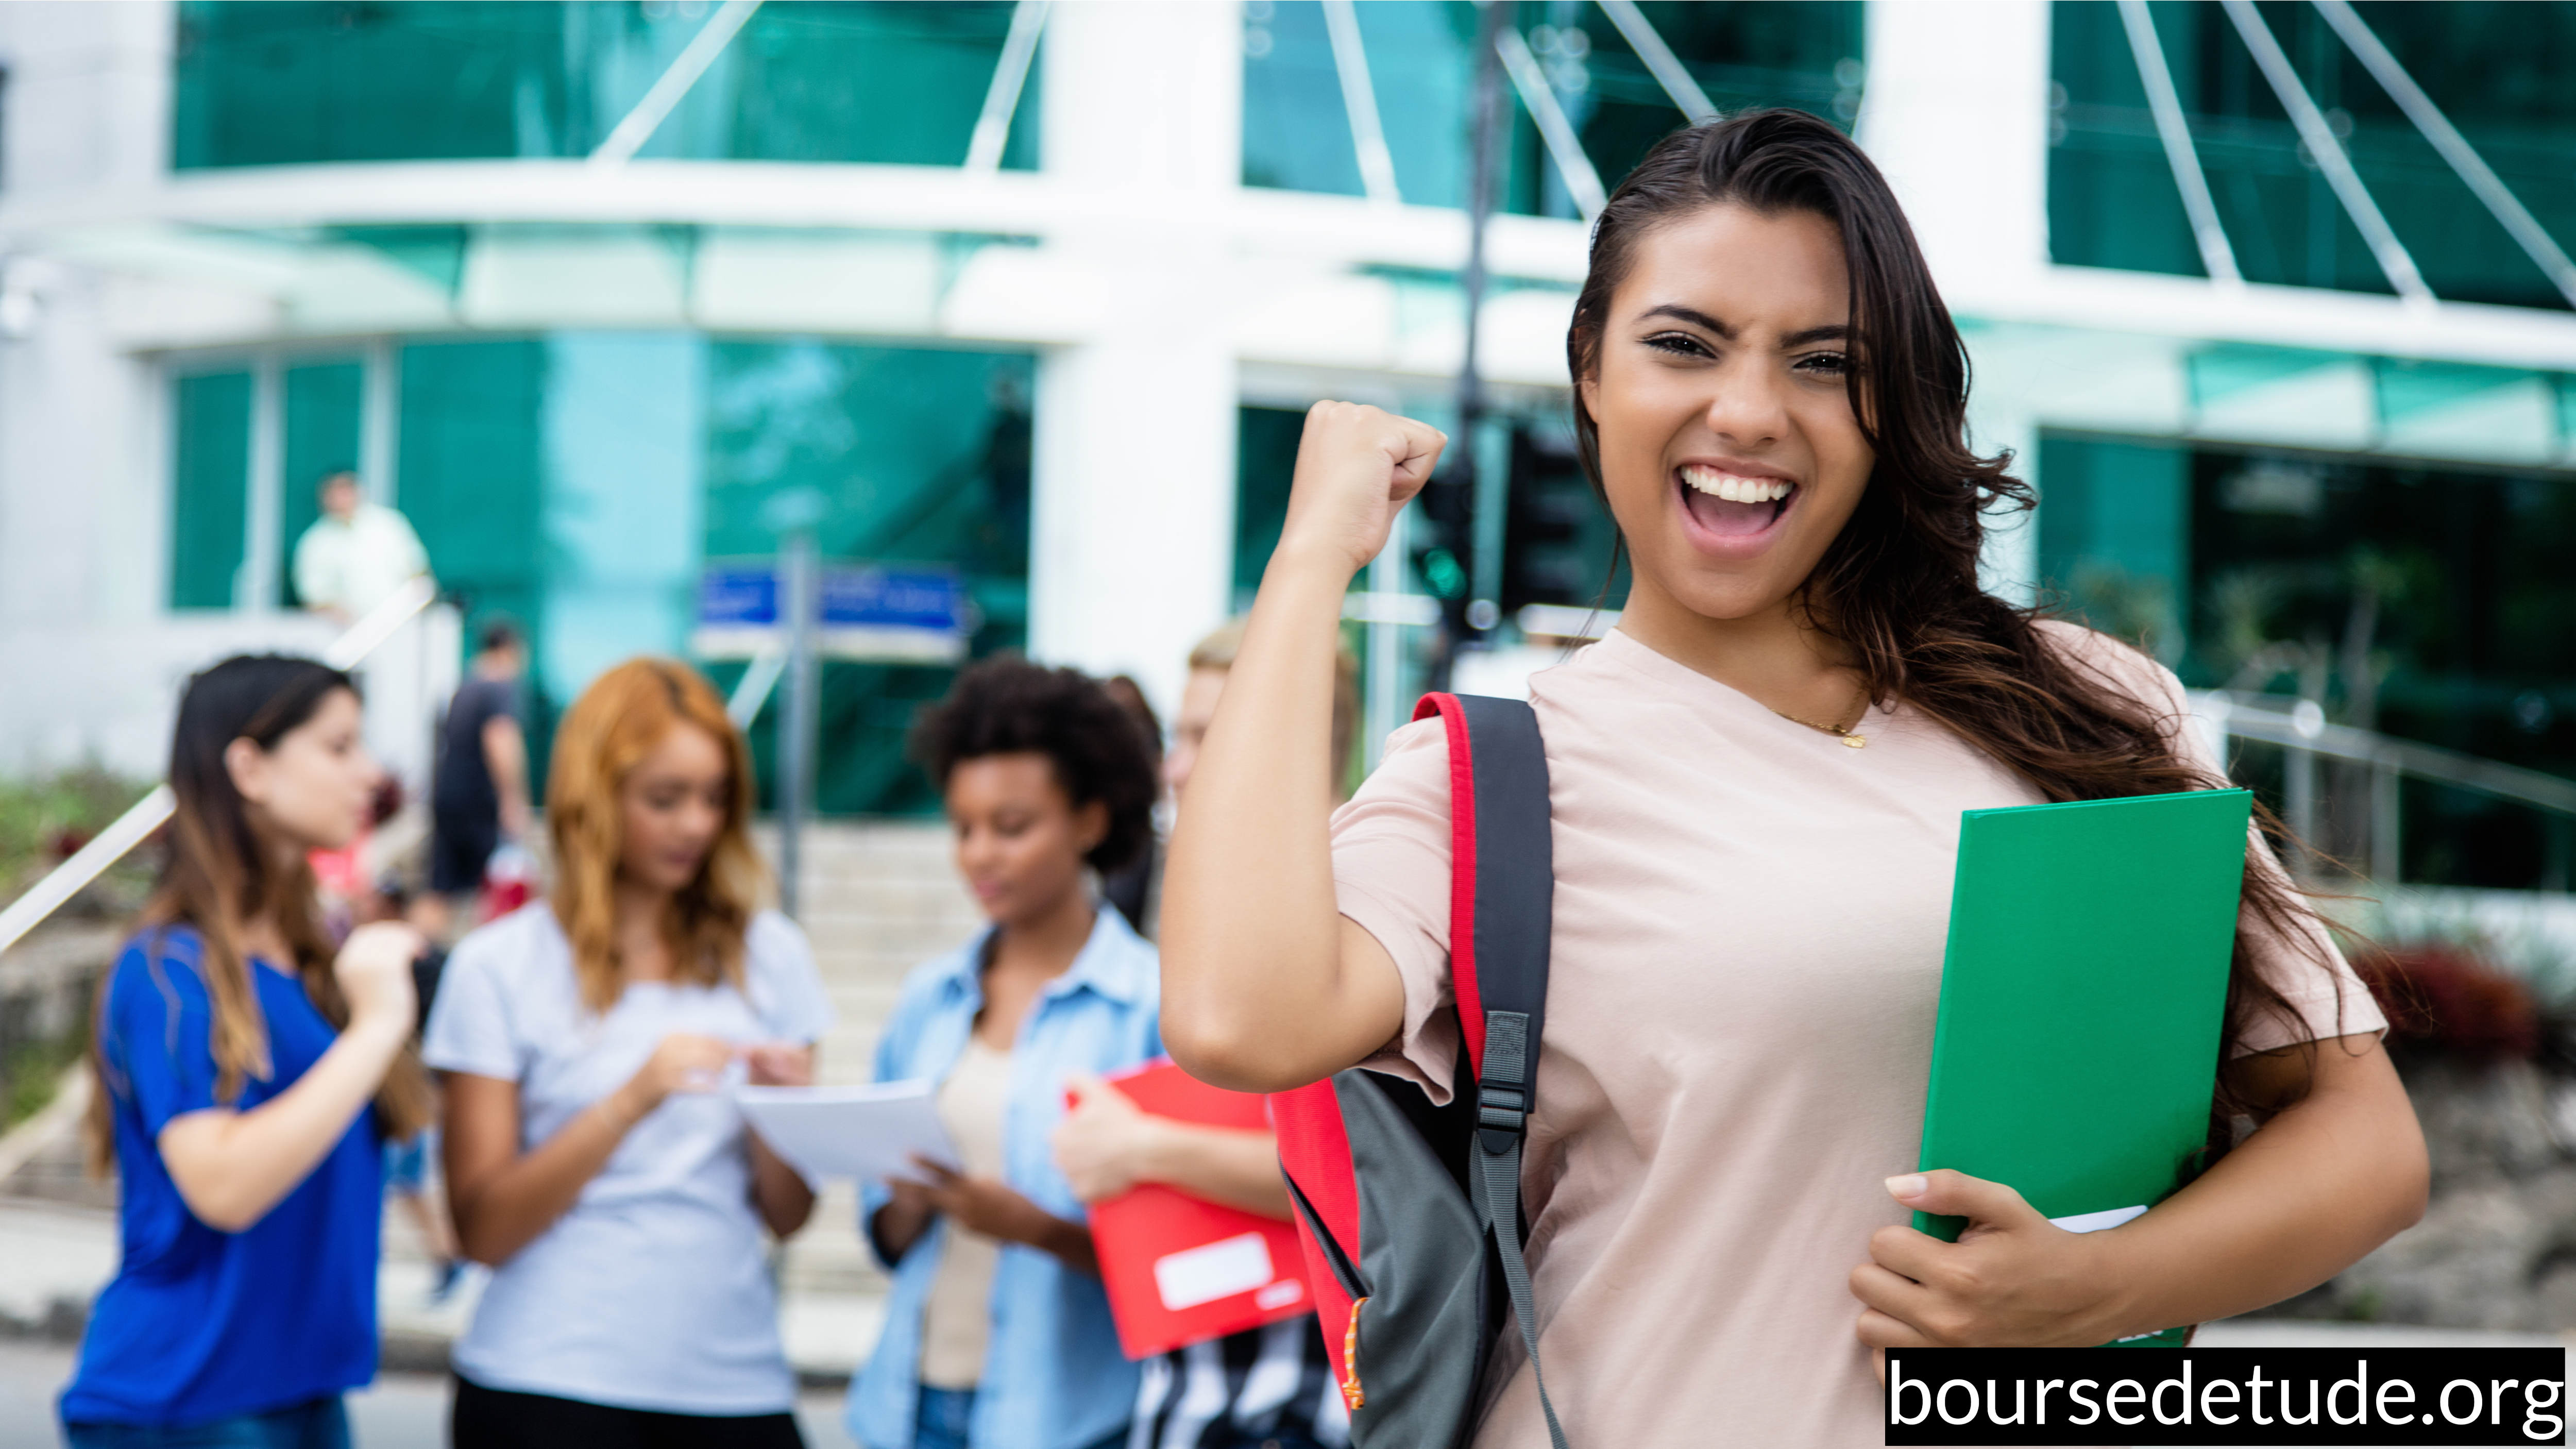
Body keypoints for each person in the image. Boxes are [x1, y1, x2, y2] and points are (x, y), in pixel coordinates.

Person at [1158, 110, 2427, 1446]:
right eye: (1683, 344)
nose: (1750, 412)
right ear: (1590, 368)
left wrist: (2098, 1287)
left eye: (1825, 362)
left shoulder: (2087, 707)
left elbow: (2364, 1140)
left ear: (1894, 408)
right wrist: (1310, 560)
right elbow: (1240, 1019)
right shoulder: (1492, 776)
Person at [423, 658, 833, 1445]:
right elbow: (483, 1230)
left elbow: (790, 1214)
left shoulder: (773, 955)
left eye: (715, 799)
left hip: (735, 1388)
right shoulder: (499, 965)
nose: (695, 826)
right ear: (594, 797)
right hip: (545, 1384)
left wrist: (784, 1111)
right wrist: (630, 1100)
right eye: (664, 799)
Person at [62, 654, 436, 1445]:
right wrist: (373, 1031)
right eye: (339, 748)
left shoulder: (312, 956)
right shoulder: (167, 968)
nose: (368, 774)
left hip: (304, 1390)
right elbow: (224, 1184)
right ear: (249, 767)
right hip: (190, 1398)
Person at [1050, 618, 1359, 1449]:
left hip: (1289, 1406)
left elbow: (1354, 1175)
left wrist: (1141, 1148)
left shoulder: (1357, 912)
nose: (1174, 766)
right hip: (1203, 1389)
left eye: (1201, 735)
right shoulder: (1225, 899)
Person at [846, 658, 1163, 1449]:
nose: (980, 854)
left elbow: (1176, 1260)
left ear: (1090, 821)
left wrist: (1032, 1227)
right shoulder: (931, 998)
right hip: (907, 1406)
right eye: (963, 827)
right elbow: (881, 1238)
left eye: (1012, 826)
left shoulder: (1151, 1007)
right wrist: (912, 1199)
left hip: (1068, 1421)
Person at [415, 619, 532, 943]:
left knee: (439, 889)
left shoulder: (462, 689)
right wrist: (513, 799)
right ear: (510, 649)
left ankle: (417, 961)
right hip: (479, 803)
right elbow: (500, 740)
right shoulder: (499, 688)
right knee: (491, 889)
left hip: (447, 797)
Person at [290, 469, 432, 622]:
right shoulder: (314, 542)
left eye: (346, 491)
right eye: (335, 493)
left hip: (401, 625)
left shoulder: (389, 524)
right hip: (346, 632)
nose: (341, 498)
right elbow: (313, 594)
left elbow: (417, 569)